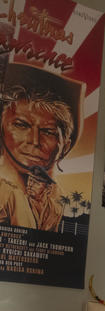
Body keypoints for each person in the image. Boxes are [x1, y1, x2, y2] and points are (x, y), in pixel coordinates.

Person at [0, 63, 82, 232]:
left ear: (64, 147)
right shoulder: (5, 192)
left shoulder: (54, 199)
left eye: (48, 131)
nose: (34, 140)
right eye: (21, 125)